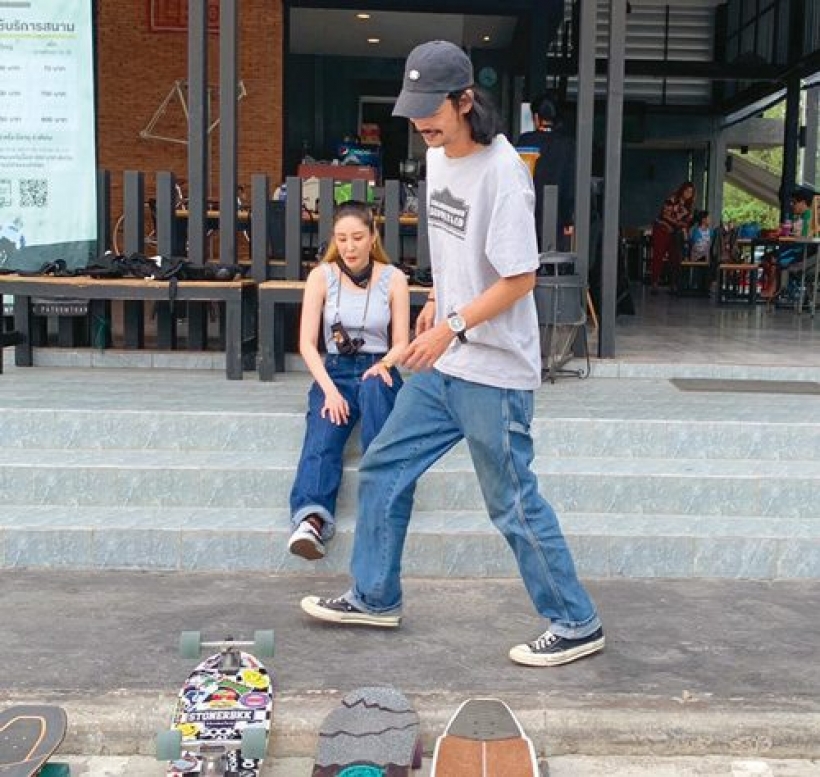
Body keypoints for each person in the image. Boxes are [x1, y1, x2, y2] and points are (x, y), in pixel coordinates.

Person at [301, 40, 605, 668]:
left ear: (466, 100)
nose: (421, 126)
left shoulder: (503, 175)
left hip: (493, 372)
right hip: (450, 361)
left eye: (431, 111)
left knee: (512, 503)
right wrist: (438, 300)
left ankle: (576, 621)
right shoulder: (438, 159)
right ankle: (375, 595)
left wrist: (453, 326)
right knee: (384, 465)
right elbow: (457, 250)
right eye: (413, 113)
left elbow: (520, 278)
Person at [287, 199, 410, 561]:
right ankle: (311, 519)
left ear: (373, 237)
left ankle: (381, 504)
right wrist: (328, 391)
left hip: (378, 366)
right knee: (324, 433)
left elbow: (401, 342)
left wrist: (385, 364)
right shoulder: (321, 276)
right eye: (342, 239)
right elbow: (307, 344)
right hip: (335, 371)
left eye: (357, 237)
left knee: (376, 398)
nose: (350, 246)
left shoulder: (394, 278)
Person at [516, 92, 576, 251]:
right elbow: (570, 183)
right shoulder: (567, 144)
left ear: (536, 117)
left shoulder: (525, 141)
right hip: (556, 216)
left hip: (528, 213)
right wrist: (568, 219)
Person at [649, 181, 696, 293]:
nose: (688, 193)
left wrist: (685, 224)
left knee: (675, 257)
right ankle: (654, 282)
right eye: (687, 191)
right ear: (682, 190)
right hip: (662, 228)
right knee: (658, 256)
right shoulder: (673, 199)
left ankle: (673, 283)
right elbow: (665, 214)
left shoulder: (688, 207)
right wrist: (676, 223)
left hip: (674, 233)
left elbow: (687, 223)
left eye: (691, 192)